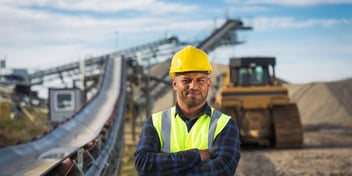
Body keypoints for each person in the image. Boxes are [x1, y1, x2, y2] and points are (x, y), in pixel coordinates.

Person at [134, 45, 241, 176]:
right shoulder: (155, 122)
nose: (193, 86)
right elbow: (143, 164)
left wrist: (165, 168)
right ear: (174, 84)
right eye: (186, 80)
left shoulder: (225, 124)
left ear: (208, 84)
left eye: (200, 80)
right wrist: (197, 155)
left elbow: (223, 170)